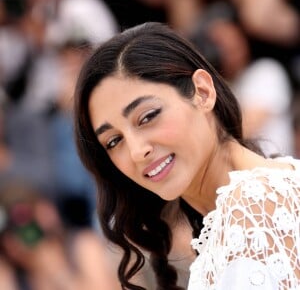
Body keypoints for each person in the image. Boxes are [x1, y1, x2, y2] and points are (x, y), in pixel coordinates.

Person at [73, 22, 300, 290]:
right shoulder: (268, 187)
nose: (136, 151)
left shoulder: (252, 209)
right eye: (113, 141)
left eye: (147, 116)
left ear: (202, 92)